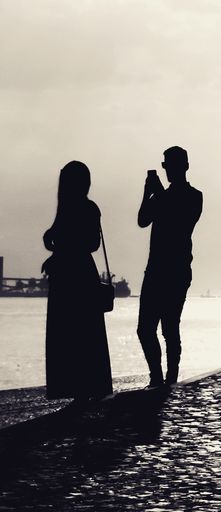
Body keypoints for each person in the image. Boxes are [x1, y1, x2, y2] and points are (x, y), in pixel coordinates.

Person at [42, 161, 113, 402]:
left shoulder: (73, 208)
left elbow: (84, 242)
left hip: (69, 276)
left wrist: (57, 250)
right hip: (80, 273)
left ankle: (76, 387)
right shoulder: (87, 208)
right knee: (85, 330)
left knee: (69, 331)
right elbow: (90, 242)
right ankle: (89, 385)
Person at [136, 146, 203, 387]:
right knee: (145, 329)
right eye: (166, 165)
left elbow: (180, 220)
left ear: (184, 166)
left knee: (169, 328)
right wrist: (147, 194)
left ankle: (170, 378)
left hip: (176, 270)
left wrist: (158, 194)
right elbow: (142, 220)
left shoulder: (194, 196)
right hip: (155, 269)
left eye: (171, 165)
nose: (168, 170)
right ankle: (156, 377)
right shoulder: (161, 197)